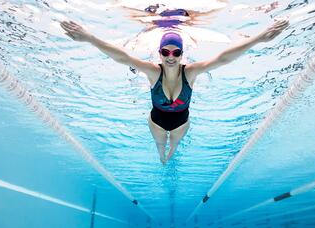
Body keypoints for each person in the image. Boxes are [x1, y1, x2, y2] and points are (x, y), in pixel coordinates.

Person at [60, 19, 289, 164]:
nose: (170, 57)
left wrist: (259, 38)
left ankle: (170, 155)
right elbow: (123, 57)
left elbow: (223, 58)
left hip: (181, 122)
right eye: (165, 52)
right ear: (159, 53)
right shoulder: (152, 72)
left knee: (174, 146)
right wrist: (88, 37)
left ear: (182, 54)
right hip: (156, 121)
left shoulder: (190, 73)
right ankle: (162, 155)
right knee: (161, 146)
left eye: (176, 52)